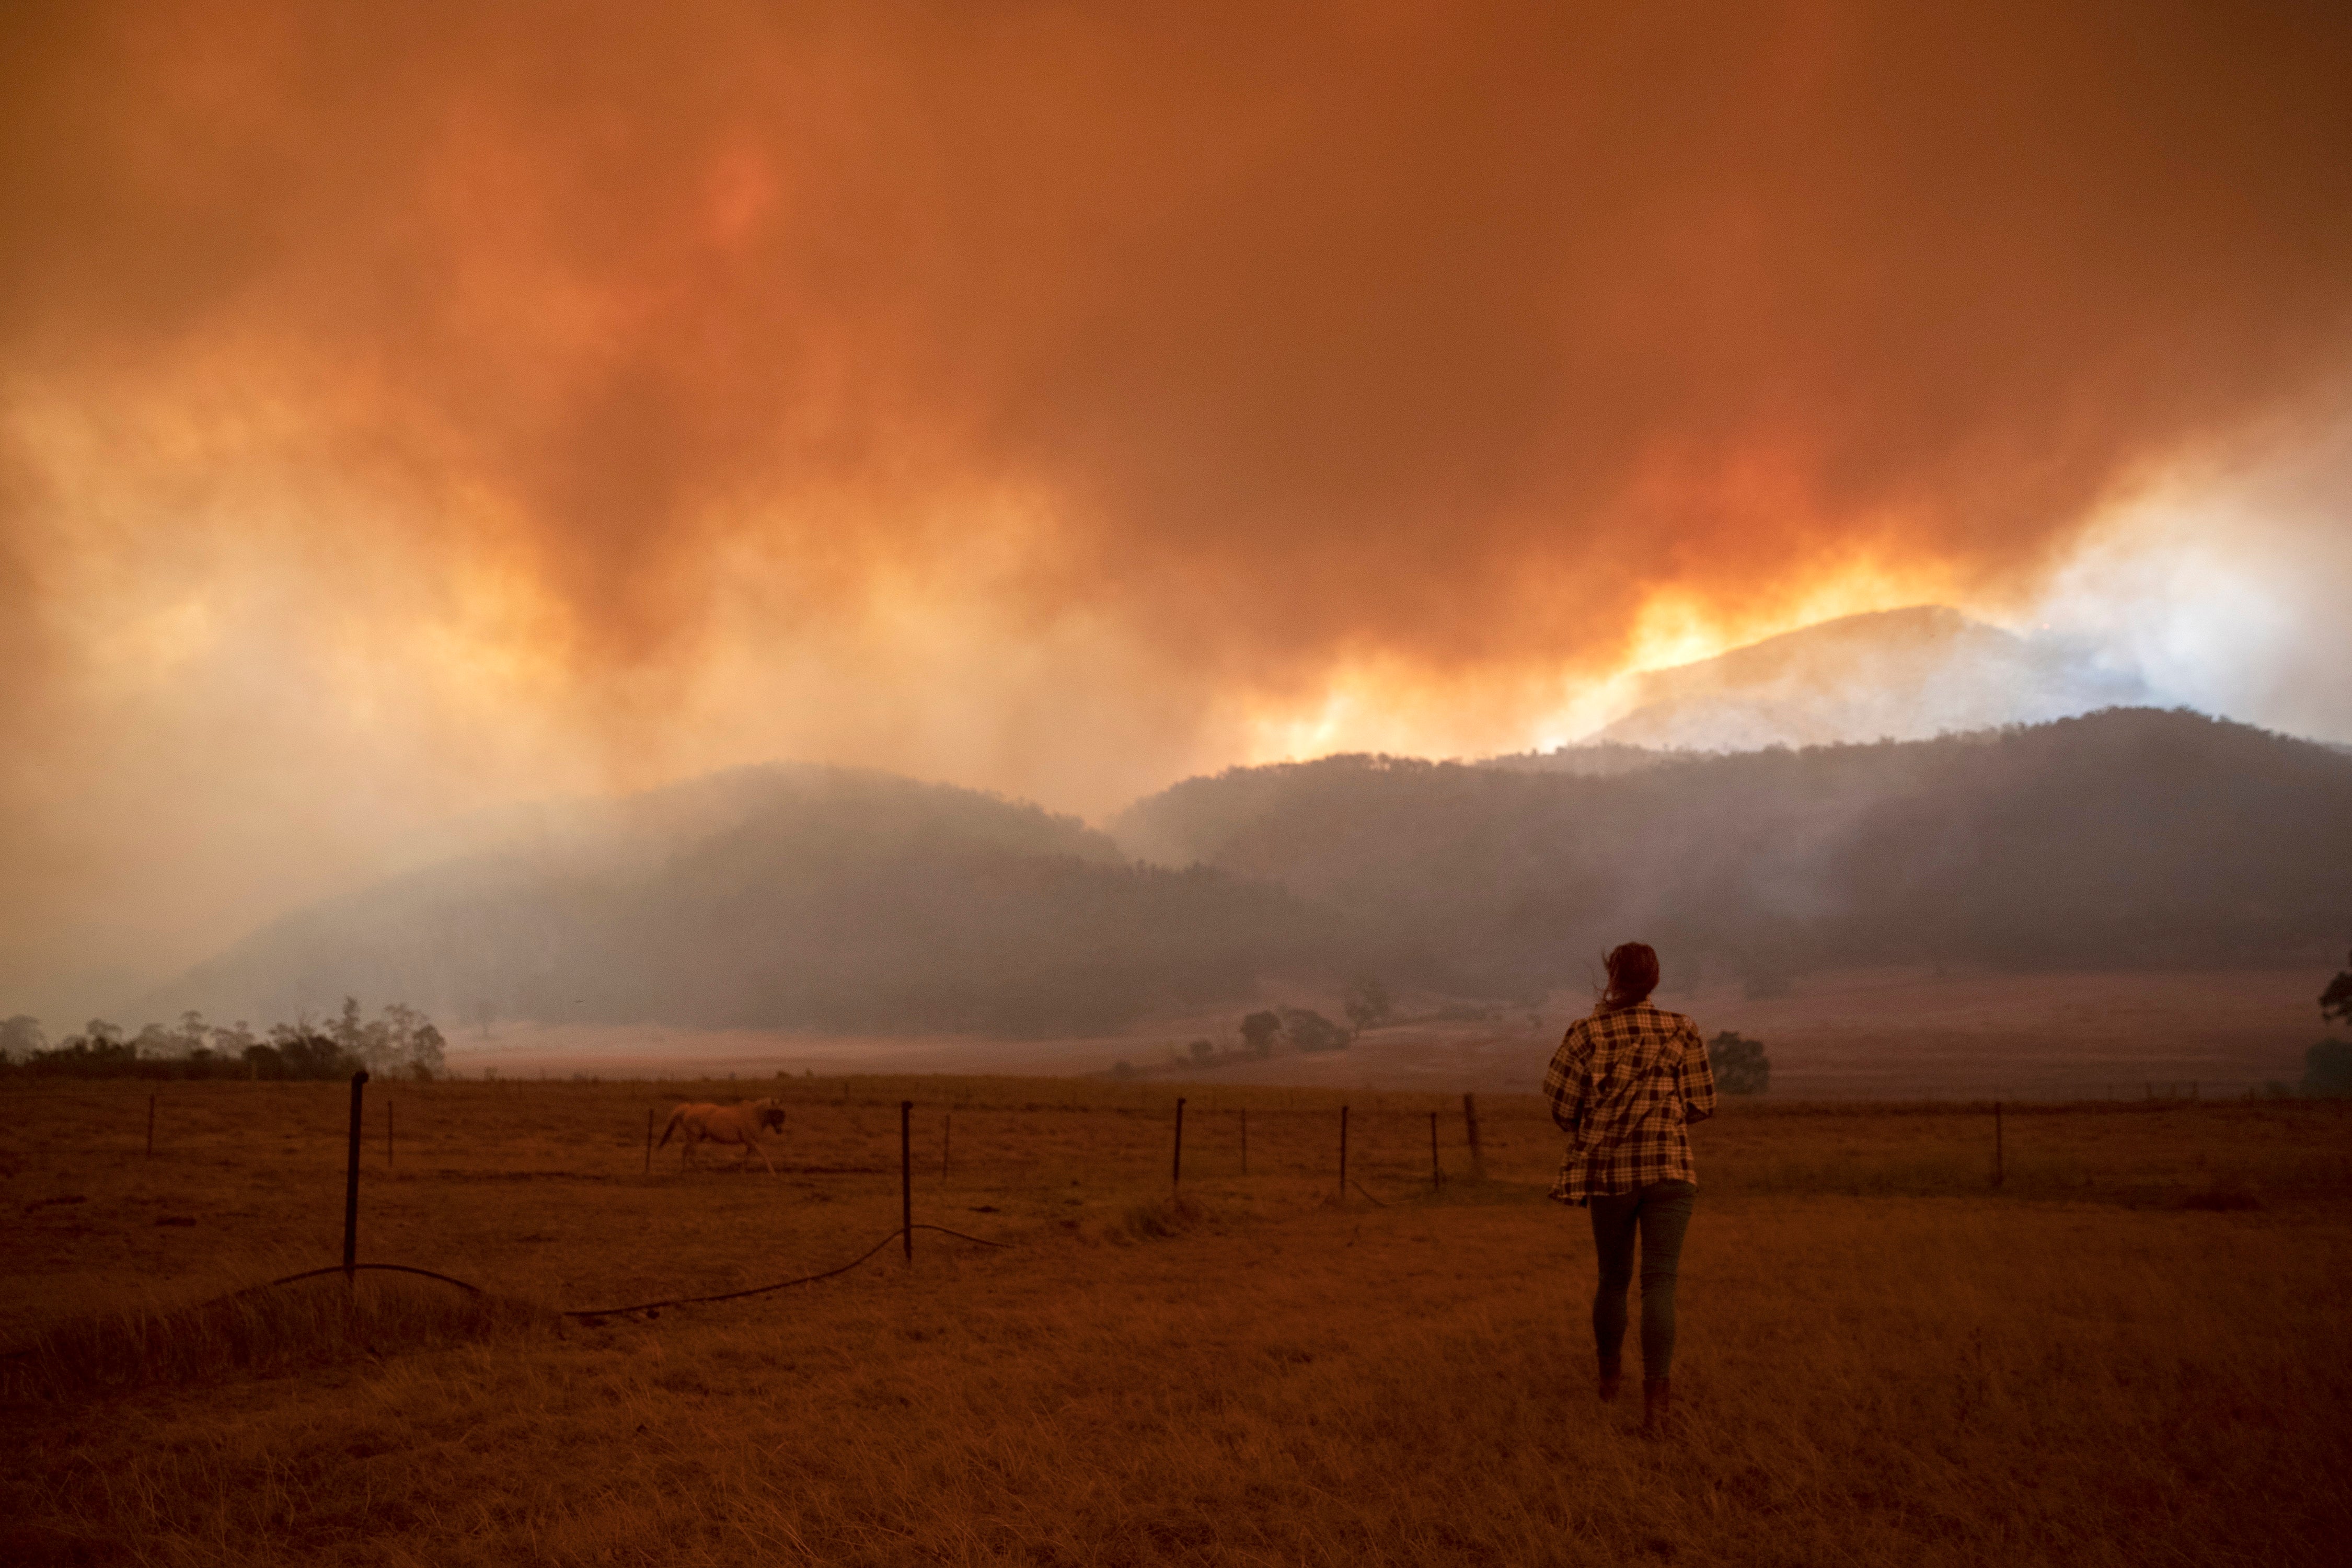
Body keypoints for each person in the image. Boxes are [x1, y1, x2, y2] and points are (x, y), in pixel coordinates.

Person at [1544, 941, 1717, 1434]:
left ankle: (1608, 1385)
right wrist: (1661, 1119)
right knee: (1659, 1284)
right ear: (1655, 980)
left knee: (1613, 1279)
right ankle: (1656, 1409)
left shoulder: (1586, 1033)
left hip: (1609, 1173)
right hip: (1671, 1170)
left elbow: (1559, 1102)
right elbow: (1703, 1102)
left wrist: (1595, 1124)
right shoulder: (1682, 1028)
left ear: (1612, 976)